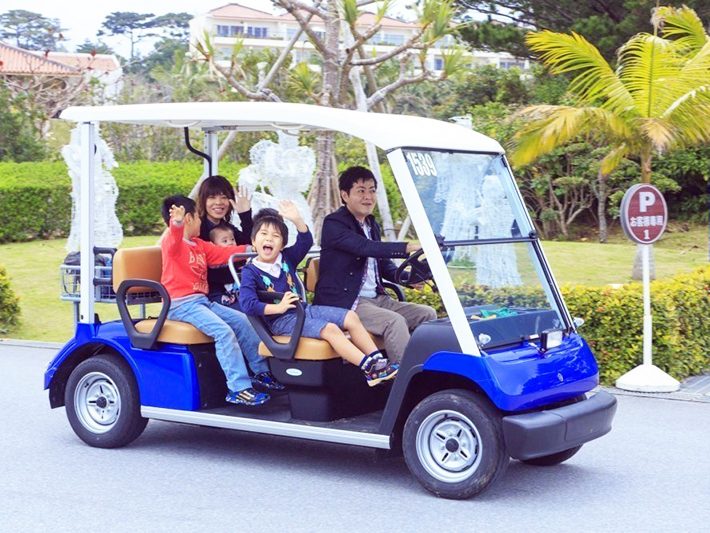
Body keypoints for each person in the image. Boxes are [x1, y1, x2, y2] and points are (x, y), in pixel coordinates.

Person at [239, 203, 398, 387]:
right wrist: (278, 307)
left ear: (282, 245)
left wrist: (297, 220)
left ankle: (378, 363)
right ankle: (369, 369)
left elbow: (305, 241)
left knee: (350, 317)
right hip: (281, 321)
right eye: (264, 234)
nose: (269, 239)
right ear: (253, 242)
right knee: (330, 329)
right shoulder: (251, 271)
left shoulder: (286, 259)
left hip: (304, 310)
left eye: (276, 236)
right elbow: (247, 304)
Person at [160, 195, 284, 407]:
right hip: (181, 304)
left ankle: (261, 373)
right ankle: (238, 388)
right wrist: (177, 222)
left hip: (201, 302)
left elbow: (223, 253)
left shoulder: (199, 245)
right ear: (189, 219)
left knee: (244, 321)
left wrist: (254, 248)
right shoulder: (173, 243)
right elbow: (173, 238)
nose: (201, 221)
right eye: (198, 217)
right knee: (223, 332)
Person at [315, 166, 437, 362]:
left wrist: (408, 279)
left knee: (427, 314)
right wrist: (408, 247)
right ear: (345, 195)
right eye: (361, 191)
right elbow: (365, 247)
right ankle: (405, 377)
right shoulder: (334, 224)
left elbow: (383, 265)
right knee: (394, 322)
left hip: (377, 299)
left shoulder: (372, 225)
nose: (368, 197)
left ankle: (425, 366)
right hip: (348, 302)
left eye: (372, 191)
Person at [196, 175, 253, 308]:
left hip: (236, 288)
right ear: (203, 200)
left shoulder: (228, 228)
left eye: (223, 197)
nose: (218, 202)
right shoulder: (197, 230)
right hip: (212, 294)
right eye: (212, 197)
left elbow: (251, 246)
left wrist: (245, 215)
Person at [208, 223, 240, 306]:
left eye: (232, 239)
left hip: (237, 292)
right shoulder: (214, 264)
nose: (230, 243)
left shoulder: (238, 259)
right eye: (225, 241)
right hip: (221, 293)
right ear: (213, 245)